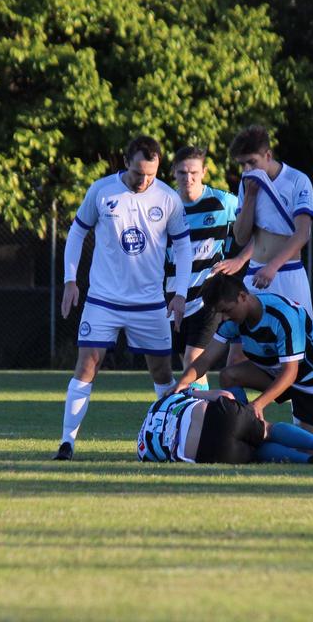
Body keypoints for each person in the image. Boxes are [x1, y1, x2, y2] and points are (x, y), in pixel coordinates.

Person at [56, 135, 195, 460]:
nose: (145, 180)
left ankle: (168, 442)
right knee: (87, 365)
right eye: (138, 173)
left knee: (162, 373)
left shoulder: (168, 198)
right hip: (103, 301)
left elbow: (184, 245)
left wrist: (180, 292)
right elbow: (77, 231)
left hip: (149, 304)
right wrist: (70, 279)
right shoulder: (102, 191)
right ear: (126, 162)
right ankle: (67, 443)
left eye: (151, 173)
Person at [173, 273, 313, 443]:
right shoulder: (232, 320)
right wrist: (182, 384)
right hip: (279, 374)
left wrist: (257, 404)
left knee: (311, 449)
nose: (223, 318)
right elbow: (205, 359)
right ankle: (243, 428)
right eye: (219, 313)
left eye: (226, 310)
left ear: (243, 297)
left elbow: (291, 372)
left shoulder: (283, 316)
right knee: (229, 375)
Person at [165, 145, 250, 389]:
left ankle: (201, 419)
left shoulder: (223, 203)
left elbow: (258, 228)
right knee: (188, 365)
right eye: (182, 172)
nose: (188, 178)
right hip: (174, 298)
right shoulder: (167, 204)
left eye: (193, 172)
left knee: (194, 361)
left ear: (204, 171)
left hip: (208, 298)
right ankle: (203, 415)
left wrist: (240, 260)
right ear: (174, 173)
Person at [137, 389, 313, 465]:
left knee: (257, 451)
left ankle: (312, 460)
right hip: (218, 417)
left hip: (207, 453)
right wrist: (193, 392)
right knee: (267, 430)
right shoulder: (169, 399)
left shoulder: (142, 448)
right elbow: (224, 394)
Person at [228, 125, 313, 315]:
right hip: (254, 274)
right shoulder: (246, 183)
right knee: (252, 340)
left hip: (286, 272)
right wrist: (250, 196)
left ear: (268, 155)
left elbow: (302, 233)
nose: (247, 169)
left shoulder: (297, 180)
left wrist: (272, 266)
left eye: (252, 162)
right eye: (242, 164)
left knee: (297, 339)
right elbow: (241, 237)